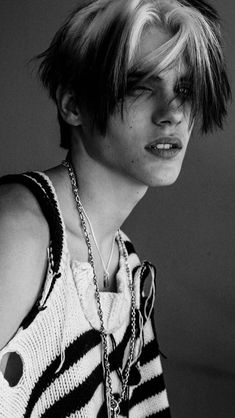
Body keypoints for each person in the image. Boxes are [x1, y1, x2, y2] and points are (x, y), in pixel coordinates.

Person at [0, 0, 231, 417]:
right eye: (139, 86)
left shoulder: (125, 266)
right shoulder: (21, 234)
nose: (173, 113)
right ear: (73, 106)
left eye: (184, 89)